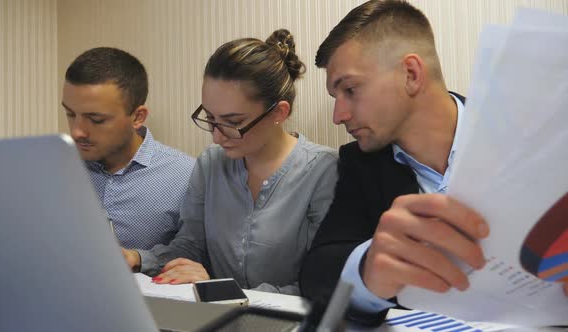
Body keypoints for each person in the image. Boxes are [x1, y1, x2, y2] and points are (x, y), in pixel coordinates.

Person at [299, 0, 568, 325]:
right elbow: (318, 271)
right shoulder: (362, 164)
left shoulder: (534, 137)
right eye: (335, 97)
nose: (338, 115)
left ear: (411, 74)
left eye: (350, 89)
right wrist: (368, 267)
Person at [122, 29, 338, 295]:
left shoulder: (322, 170)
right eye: (210, 118)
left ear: (279, 112)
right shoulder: (211, 164)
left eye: (233, 123)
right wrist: (138, 259)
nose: (216, 137)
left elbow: (322, 283)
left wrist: (222, 291)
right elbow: (189, 247)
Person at [62, 47, 195, 250]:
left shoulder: (186, 177)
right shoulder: (56, 169)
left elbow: (195, 257)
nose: (77, 132)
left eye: (96, 120)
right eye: (70, 114)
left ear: (137, 117)